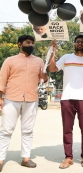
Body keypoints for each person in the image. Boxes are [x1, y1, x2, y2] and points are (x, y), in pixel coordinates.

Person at [48, 36, 83, 169]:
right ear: (74, 44)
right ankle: (68, 157)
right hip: (67, 98)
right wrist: (53, 50)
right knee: (67, 129)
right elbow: (52, 69)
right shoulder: (66, 57)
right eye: (78, 42)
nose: (80, 44)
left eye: (82, 42)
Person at [0, 35, 48, 171]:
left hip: (31, 100)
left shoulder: (39, 61)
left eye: (32, 42)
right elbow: (2, 79)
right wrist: (0, 98)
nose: (31, 45)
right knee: (6, 130)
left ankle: (26, 158)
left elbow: (43, 79)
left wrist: (45, 73)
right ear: (19, 44)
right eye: (28, 42)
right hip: (12, 99)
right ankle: (0, 159)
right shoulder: (10, 61)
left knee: (27, 130)